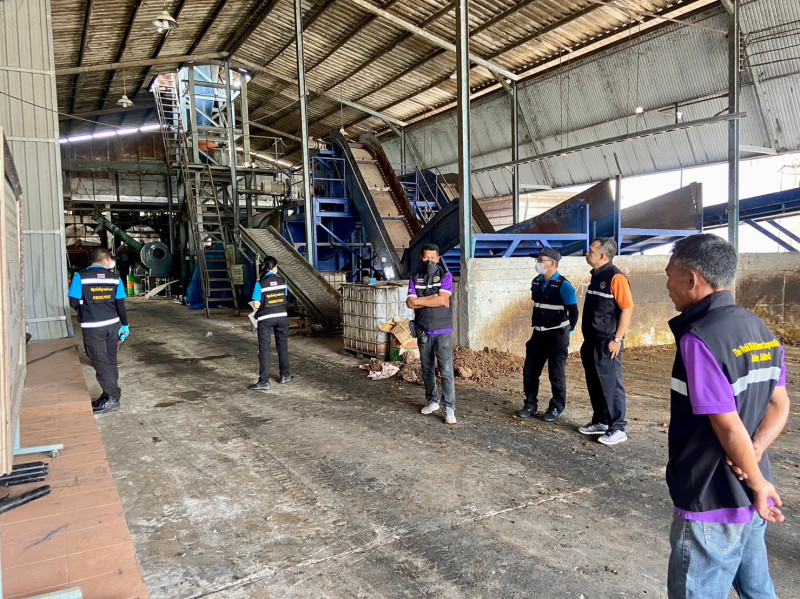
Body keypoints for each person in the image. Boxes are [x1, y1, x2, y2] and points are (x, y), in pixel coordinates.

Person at [664, 233, 789, 599]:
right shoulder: (760, 329)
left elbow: (728, 426)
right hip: (750, 496)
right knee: (758, 591)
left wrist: (757, 481)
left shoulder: (700, 339)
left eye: (669, 275)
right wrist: (756, 457)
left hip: (711, 497)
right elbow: (779, 404)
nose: (667, 286)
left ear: (692, 279)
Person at [578, 237, 634, 445]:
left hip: (607, 343)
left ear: (602, 255)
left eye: (591, 250)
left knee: (612, 385)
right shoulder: (596, 275)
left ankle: (618, 427)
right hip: (591, 341)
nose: (587, 253)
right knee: (595, 382)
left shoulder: (616, 277)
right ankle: (601, 420)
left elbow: (627, 309)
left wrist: (617, 339)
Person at [516, 247, 579, 422]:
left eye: (540, 260)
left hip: (557, 336)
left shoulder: (564, 286)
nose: (537, 263)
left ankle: (556, 407)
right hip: (538, 334)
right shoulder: (536, 282)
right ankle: (530, 405)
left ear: (552, 264)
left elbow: (574, 313)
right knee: (530, 372)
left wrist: (568, 333)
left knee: (556, 375)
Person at [68, 248, 129, 415]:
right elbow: (120, 304)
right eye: (110, 260)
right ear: (105, 261)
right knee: (110, 360)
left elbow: (73, 302)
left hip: (93, 327)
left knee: (100, 362)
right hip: (112, 326)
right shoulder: (115, 279)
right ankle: (111, 394)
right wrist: (125, 325)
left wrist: (85, 306)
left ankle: (111, 398)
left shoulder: (80, 277)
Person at [406, 243, 456, 425]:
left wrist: (422, 300)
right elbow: (410, 303)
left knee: (446, 370)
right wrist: (433, 299)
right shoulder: (415, 277)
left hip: (443, 330)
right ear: (422, 257)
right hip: (423, 330)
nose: (429, 261)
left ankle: (449, 408)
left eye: (432, 258)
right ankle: (432, 401)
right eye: (426, 257)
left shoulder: (445, 276)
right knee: (427, 369)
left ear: (438, 258)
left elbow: (442, 300)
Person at [249, 256, 292, 391]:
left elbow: (256, 305)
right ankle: (285, 375)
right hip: (282, 318)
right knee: (282, 346)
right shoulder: (283, 282)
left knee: (265, 349)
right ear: (275, 268)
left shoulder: (260, 284)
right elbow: (283, 298)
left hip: (266, 319)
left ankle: (264, 381)